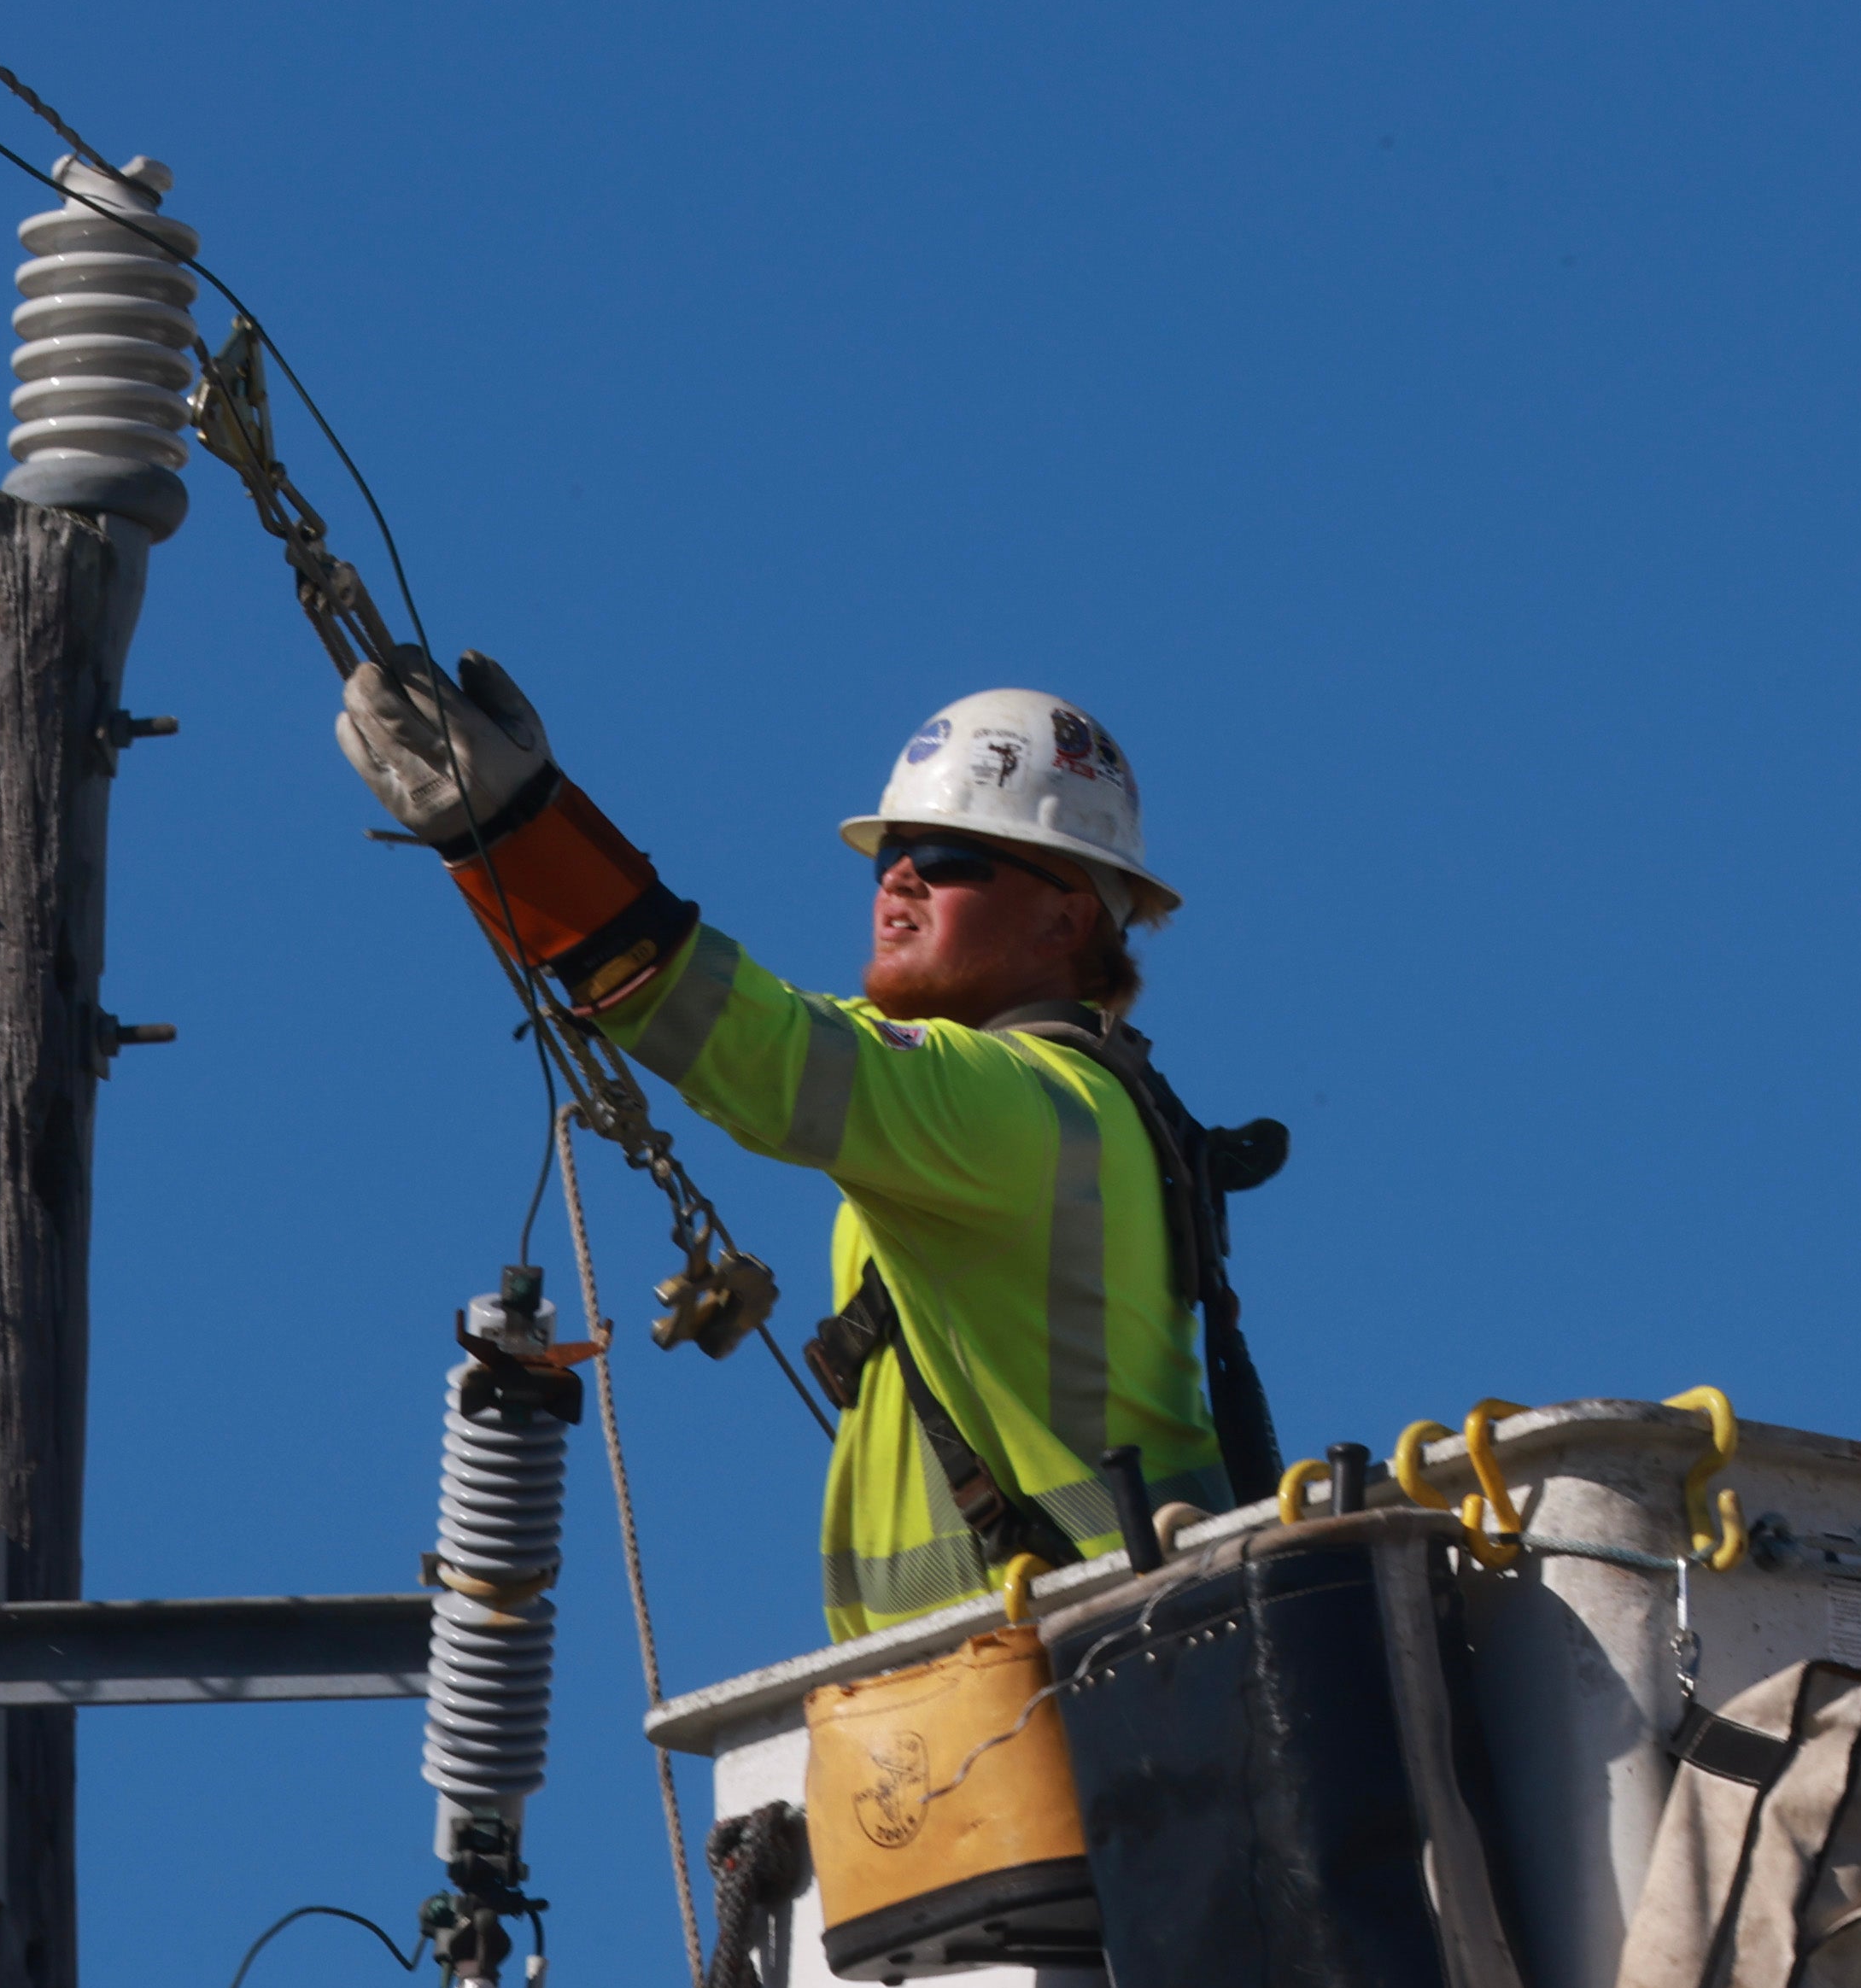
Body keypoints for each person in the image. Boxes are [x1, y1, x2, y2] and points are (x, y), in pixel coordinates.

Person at [341, 661, 1283, 1639]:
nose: (901, 874)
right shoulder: (1039, 1105)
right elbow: (767, 1029)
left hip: (1086, 1672)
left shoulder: (1022, 1105)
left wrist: (520, 834)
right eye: (892, 851)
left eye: (955, 855)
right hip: (1000, 1689)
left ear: (1069, 914)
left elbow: (768, 1051)